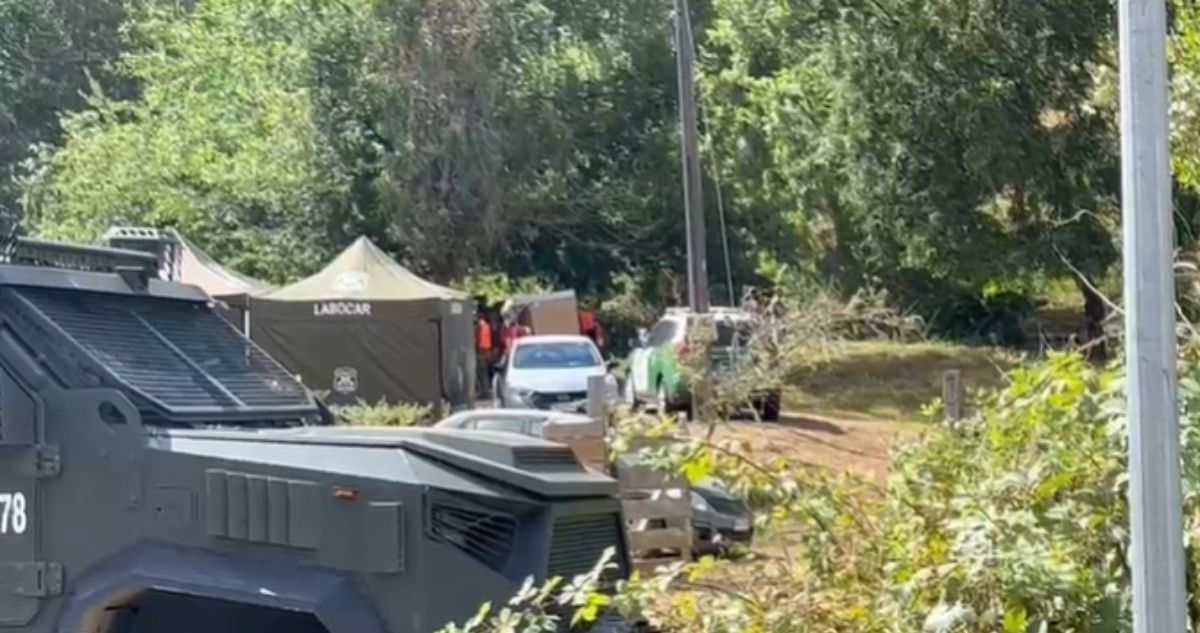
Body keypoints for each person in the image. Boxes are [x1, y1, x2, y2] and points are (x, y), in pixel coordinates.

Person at [474, 307, 494, 400]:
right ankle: (484, 391)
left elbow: (481, 342)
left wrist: (479, 352)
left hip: (482, 353)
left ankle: (484, 392)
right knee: (483, 373)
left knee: (482, 373)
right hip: (485, 352)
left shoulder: (482, 327)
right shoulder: (486, 326)